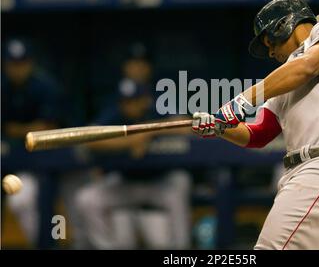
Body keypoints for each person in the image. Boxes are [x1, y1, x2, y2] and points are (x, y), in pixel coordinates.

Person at [192, 0, 319, 250]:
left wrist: (242, 101)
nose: (271, 52)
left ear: (285, 24)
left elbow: (309, 65)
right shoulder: (283, 82)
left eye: (269, 42)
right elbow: (258, 134)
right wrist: (221, 127)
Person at [75, 78, 192, 249]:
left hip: (160, 182)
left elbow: (186, 125)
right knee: (87, 199)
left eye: (134, 101)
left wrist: (146, 131)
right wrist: (129, 141)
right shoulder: (115, 114)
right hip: (125, 182)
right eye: (125, 102)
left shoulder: (155, 111)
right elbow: (90, 139)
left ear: (145, 100)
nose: (129, 106)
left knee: (179, 186)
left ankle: (182, 249)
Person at [1, 37, 61, 245]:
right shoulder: (3, 87)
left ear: (30, 63)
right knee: (21, 201)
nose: (18, 69)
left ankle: (45, 244)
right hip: (13, 159)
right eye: (13, 63)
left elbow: (45, 129)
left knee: (26, 201)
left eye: (22, 63)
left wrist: (14, 130)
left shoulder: (45, 86)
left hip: (43, 158)